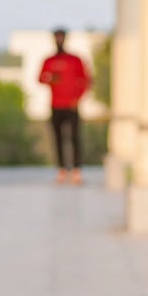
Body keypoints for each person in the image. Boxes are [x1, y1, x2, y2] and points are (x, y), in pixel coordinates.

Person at [39, 28, 90, 185]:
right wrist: (51, 79)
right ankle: (61, 170)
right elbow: (41, 78)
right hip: (56, 105)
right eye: (57, 37)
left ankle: (76, 171)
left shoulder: (75, 60)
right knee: (58, 139)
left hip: (72, 106)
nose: (59, 40)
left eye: (61, 37)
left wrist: (77, 98)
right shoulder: (49, 61)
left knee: (75, 138)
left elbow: (86, 80)